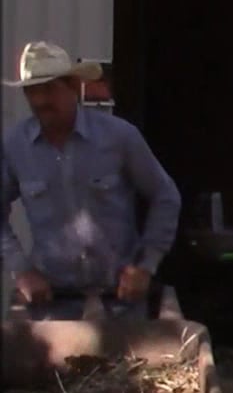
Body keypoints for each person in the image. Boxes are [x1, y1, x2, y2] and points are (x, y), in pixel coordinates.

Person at [2, 41, 182, 320]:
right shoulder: (15, 146)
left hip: (121, 302)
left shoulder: (119, 137)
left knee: (127, 365)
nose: (39, 101)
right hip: (52, 306)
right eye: (32, 91)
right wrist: (21, 269)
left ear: (74, 86)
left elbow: (165, 195)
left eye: (49, 89)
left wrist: (146, 266)